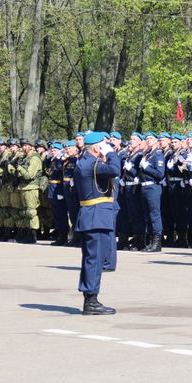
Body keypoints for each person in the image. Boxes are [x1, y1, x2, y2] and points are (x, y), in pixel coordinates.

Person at [73, 131, 120, 315]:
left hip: (94, 216)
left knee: (92, 259)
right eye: (104, 144)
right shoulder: (92, 164)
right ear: (97, 147)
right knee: (94, 260)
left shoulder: (86, 163)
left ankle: (90, 298)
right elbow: (115, 170)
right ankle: (91, 300)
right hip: (96, 217)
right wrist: (110, 153)